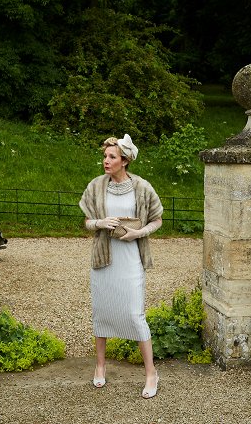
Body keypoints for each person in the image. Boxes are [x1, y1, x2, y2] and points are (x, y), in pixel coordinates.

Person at [79, 134, 163, 399]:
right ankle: (100, 365)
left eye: (112, 157)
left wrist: (137, 234)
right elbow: (87, 222)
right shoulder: (95, 186)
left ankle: (151, 372)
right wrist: (100, 223)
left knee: (135, 314)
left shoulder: (142, 187)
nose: (106, 161)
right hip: (103, 259)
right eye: (105, 156)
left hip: (130, 259)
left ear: (125, 161)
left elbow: (157, 220)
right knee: (101, 312)